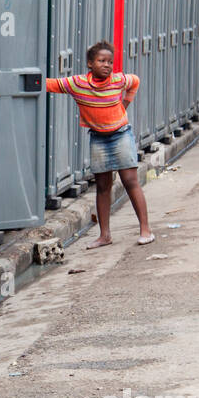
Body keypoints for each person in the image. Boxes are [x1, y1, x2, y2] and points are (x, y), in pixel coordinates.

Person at [47, 41, 153, 248]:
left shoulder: (118, 80)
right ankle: (105, 235)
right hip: (98, 138)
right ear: (90, 64)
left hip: (121, 134)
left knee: (130, 180)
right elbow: (52, 84)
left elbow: (135, 81)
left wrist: (125, 105)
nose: (107, 65)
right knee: (103, 186)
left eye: (110, 62)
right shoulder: (77, 84)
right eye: (101, 61)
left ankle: (145, 230)